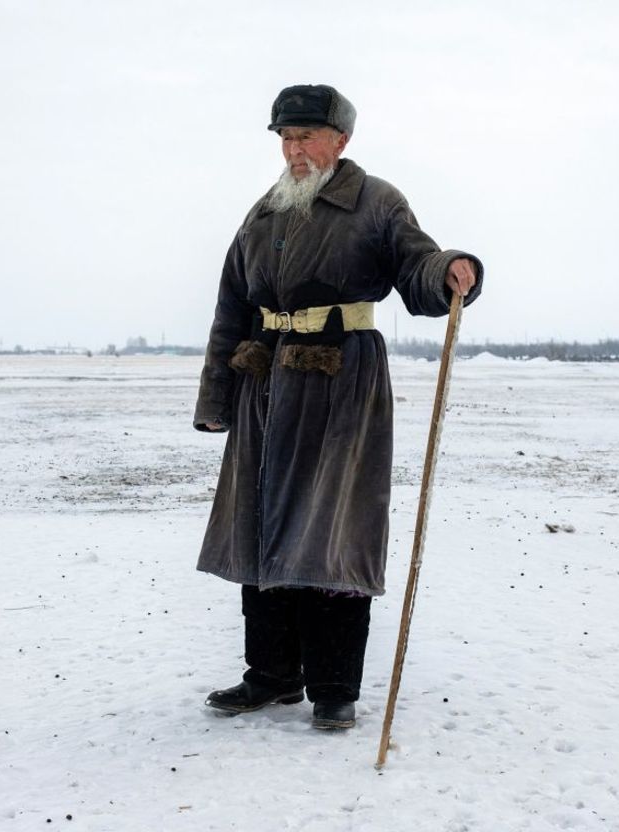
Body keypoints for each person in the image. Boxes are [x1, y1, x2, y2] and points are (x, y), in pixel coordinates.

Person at [193, 84, 483, 730]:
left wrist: (449, 269)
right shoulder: (263, 213)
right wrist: (217, 400)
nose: (294, 151)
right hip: (266, 387)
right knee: (262, 529)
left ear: (340, 141)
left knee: (332, 535)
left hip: (341, 387)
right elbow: (231, 310)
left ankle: (332, 689)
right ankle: (271, 676)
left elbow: (416, 264)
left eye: (306, 138)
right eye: (286, 140)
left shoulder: (375, 202)